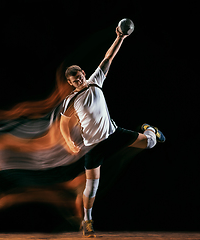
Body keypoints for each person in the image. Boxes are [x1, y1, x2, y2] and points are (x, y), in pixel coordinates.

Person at [60, 26, 166, 237]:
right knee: (91, 188)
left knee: (151, 142)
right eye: (73, 81)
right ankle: (87, 221)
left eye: (79, 76)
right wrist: (68, 141)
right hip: (93, 146)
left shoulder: (96, 81)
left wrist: (120, 37)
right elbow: (63, 124)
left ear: (83, 73)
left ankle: (149, 129)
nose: (78, 81)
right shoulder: (70, 100)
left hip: (114, 135)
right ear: (70, 83)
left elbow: (108, 57)